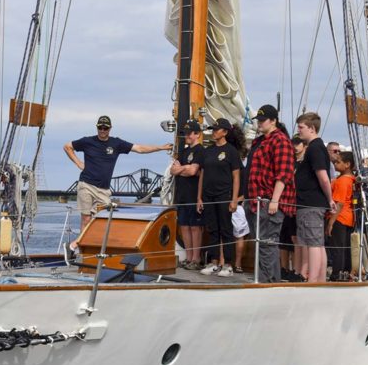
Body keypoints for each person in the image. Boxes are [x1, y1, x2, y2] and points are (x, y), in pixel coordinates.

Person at [64, 115, 173, 248]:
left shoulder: (116, 143)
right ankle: (80, 246)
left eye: (105, 128)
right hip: (86, 185)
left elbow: (139, 149)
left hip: (104, 190)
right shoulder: (87, 141)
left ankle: (87, 244)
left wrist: (161, 148)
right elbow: (67, 147)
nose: (102, 130)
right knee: (86, 218)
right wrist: (78, 163)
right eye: (100, 127)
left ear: (110, 128)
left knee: (102, 219)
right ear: (97, 127)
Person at [246, 105, 296, 283]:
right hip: (255, 200)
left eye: (263, 120)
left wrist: (275, 200)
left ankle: (266, 282)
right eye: (258, 120)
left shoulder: (281, 141)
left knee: (267, 244)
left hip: (268, 201)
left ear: (273, 121)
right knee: (262, 244)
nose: (259, 123)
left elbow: (284, 173)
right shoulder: (260, 141)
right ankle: (270, 280)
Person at [196, 118, 242, 277]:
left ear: (225, 132)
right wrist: (199, 197)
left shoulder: (231, 151)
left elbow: (236, 176)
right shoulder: (207, 151)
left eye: (216, 130)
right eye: (213, 129)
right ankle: (213, 262)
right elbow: (202, 175)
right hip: (208, 195)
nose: (213, 132)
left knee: (226, 229)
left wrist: (234, 199)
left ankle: (228, 265)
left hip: (224, 195)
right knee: (212, 229)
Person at [295, 112, 335, 283]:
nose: (298, 130)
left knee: (312, 243)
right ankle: (319, 280)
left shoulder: (314, 148)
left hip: (311, 203)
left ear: (312, 128)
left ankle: (313, 281)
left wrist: (330, 199)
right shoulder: (317, 147)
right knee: (317, 243)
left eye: (301, 127)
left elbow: (323, 177)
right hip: (312, 203)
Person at [170, 120, 205, 270]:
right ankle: (189, 258)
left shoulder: (200, 151)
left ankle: (196, 259)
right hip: (182, 195)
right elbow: (173, 170)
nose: (187, 136)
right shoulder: (183, 152)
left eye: (190, 133)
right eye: (186, 133)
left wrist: (183, 169)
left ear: (197, 134)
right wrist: (186, 168)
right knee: (184, 226)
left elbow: (193, 171)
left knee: (195, 227)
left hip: (193, 195)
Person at [280, 135, 306, 282]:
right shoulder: (290, 162)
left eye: (298, 143)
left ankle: (296, 269)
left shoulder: (304, 164)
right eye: (293, 144)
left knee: (295, 238)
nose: (295, 146)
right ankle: (284, 268)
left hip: (297, 204)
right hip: (286, 202)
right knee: (283, 238)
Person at [327, 151, 356, 281]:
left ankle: (336, 274)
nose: (335, 164)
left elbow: (339, 203)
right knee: (345, 248)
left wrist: (331, 222)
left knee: (337, 248)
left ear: (347, 164)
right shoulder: (351, 179)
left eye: (338, 162)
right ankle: (345, 272)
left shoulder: (343, 181)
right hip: (349, 218)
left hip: (340, 218)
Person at [226, 124, 249, 274]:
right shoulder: (244, 163)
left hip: (224, 200)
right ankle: (238, 264)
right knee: (239, 236)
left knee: (224, 235)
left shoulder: (226, 158)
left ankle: (223, 262)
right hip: (239, 203)